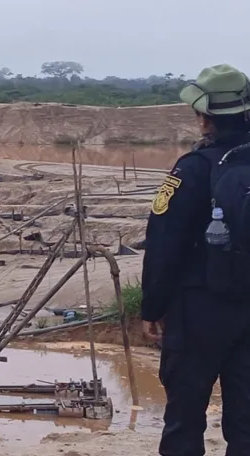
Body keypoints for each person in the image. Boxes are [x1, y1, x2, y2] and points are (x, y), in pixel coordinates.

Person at [141, 64, 250, 455]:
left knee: (185, 422)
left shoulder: (191, 169)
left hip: (197, 309)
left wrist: (152, 307)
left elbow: (163, 244)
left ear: (205, 119)